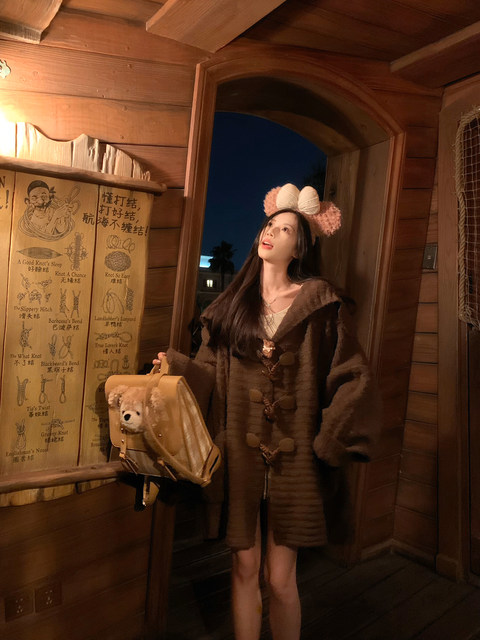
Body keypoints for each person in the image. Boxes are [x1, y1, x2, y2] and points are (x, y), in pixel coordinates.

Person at [153, 183, 380, 640]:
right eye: (270, 225)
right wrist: (174, 368)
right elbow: (208, 372)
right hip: (238, 453)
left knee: (280, 579)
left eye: (286, 229)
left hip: (297, 461)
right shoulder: (231, 307)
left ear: (300, 247)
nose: (272, 233)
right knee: (242, 567)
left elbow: (352, 374)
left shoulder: (320, 304)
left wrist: (330, 439)